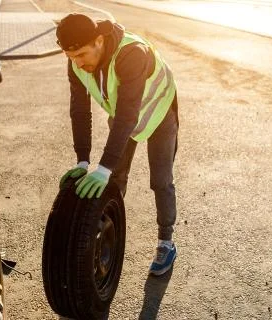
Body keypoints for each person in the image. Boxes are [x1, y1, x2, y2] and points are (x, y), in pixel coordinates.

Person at [56, 13, 179, 276]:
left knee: (160, 180)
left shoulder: (132, 54)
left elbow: (127, 116)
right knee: (115, 175)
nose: (77, 63)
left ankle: (166, 243)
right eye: (71, 58)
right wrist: (83, 160)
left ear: (99, 41)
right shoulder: (76, 62)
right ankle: (101, 228)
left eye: (82, 55)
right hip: (125, 113)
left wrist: (103, 167)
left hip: (158, 111)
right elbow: (80, 110)